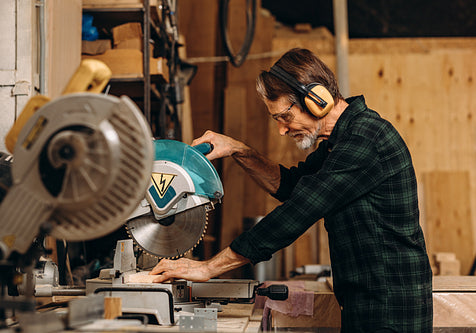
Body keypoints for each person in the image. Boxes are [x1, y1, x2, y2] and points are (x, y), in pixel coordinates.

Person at [150, 48, 433, 332]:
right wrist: (239, 151)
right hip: (368, 303)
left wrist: (207, 268)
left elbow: (299, 212)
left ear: (316, 99)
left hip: (390, 310)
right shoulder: (340, 142)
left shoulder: (366, 139)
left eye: (284, 116)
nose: (282, 131)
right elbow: (291, 187)